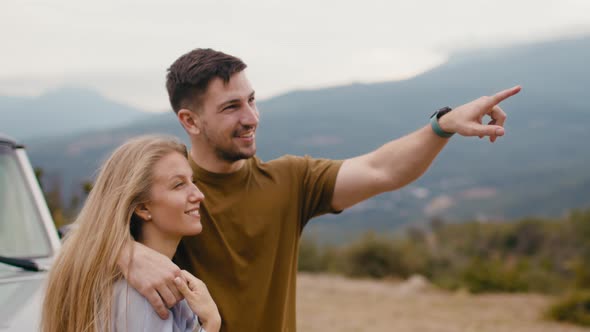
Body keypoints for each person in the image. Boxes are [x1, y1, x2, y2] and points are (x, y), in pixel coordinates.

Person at [119, 49, 521, 331]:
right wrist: (125, 252)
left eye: (252, 100)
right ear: (189, 121)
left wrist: (441, 126)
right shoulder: (168, 194)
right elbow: (84, 242)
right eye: (231, 107)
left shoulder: (290, 180)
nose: (251, 117)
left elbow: (381, 170)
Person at [42, 136, 221, 332]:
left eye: (192, 181)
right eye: (179, 185)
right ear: (142, 207)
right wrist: (211, 323)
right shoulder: (146, 294)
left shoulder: (129, 278)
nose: (198, 194)